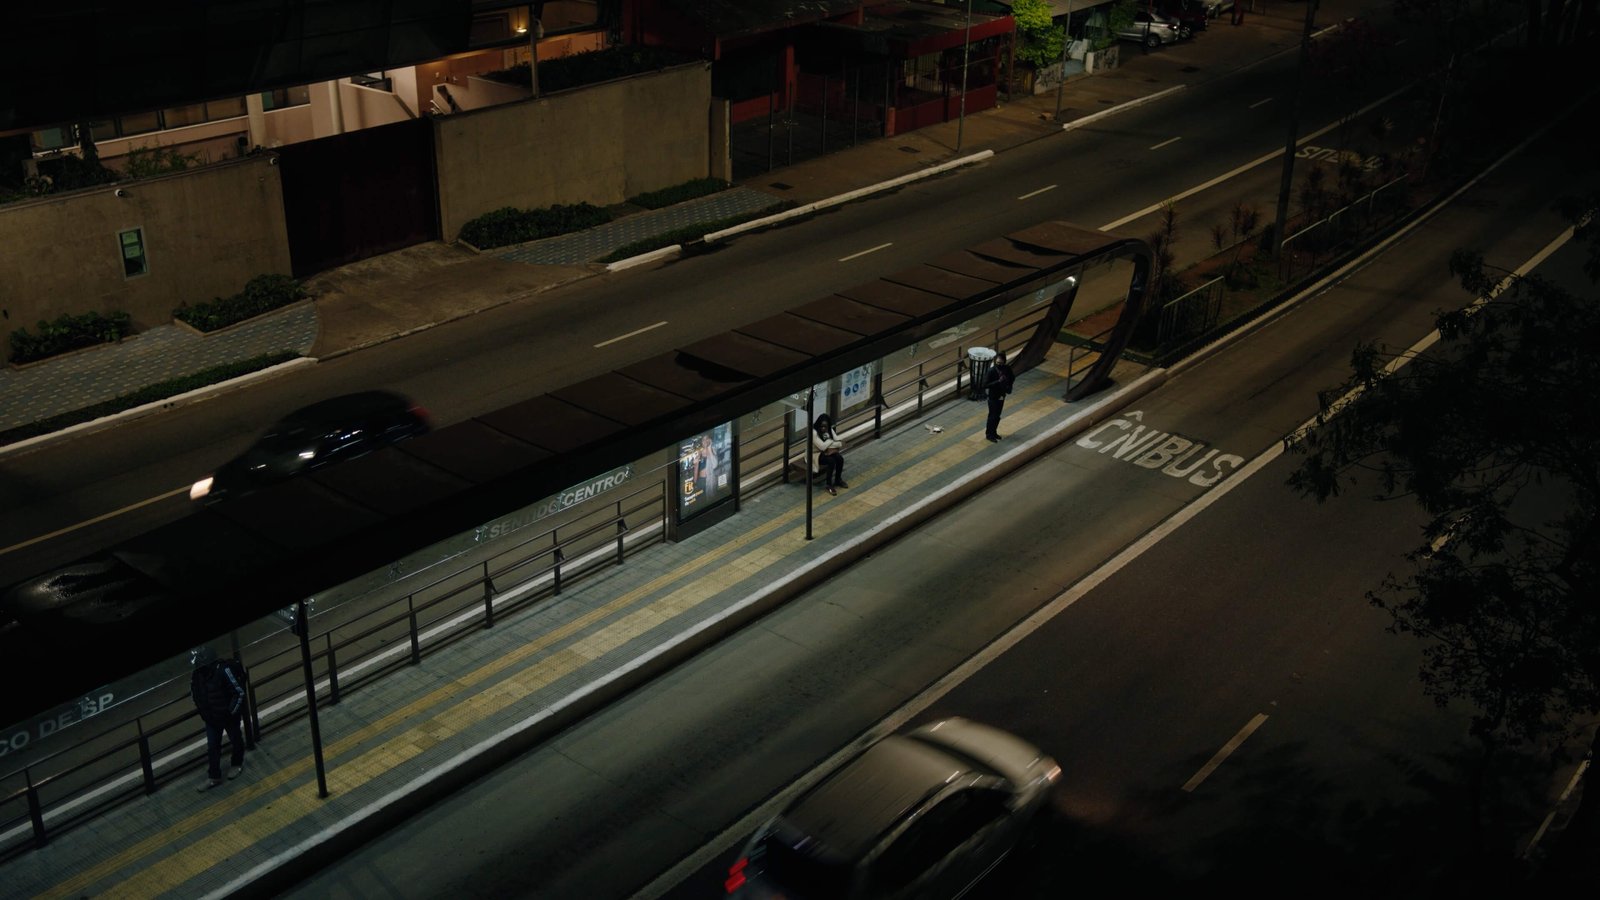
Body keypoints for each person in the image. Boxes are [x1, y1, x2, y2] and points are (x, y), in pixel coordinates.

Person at [190, 645, 247, 792]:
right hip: (212, 718)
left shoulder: (223, 670)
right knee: (212, 747)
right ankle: (214, 776)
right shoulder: (198, 675)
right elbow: (195, 695)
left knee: (235, 740)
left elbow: (238, 692)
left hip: (228, 717)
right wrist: (205, 714)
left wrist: (231, 712)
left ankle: (237, 763)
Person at [811, 414, 847, 495]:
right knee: (831, 461)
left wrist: (830, 443)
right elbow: (822, 447)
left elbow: (839, 442)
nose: (823, 428)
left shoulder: (830, 429)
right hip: (815, 454)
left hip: (828, 451)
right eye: (822, 426)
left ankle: (838, 480)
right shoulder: (814, 433)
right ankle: (829, 484)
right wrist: (830, 441)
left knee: (840, 458)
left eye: (825, 426)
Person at [984, 351, 1015, 442]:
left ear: (1004, 362)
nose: (999, 365)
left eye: (1001, 363)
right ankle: (989, 434)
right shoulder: (991, 371)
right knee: (992, 416)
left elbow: (1012, 377)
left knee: (997, 416)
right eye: (997, 363)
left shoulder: (1007, 369)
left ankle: (994, 432)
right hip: (993, 397)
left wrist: (1009, 386)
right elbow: (985, 384)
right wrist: (998, 381)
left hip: (1001, 395)